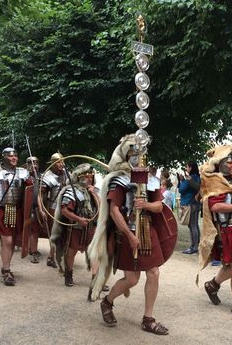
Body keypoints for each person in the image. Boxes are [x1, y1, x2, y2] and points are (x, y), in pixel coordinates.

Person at [87, 134, 172, 335]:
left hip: (148, 231)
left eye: (142, 152)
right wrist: (129, 235)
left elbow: (160, 207)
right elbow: (115, 210)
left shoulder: (150, 179)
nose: (139, 156)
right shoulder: (119, 179)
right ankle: (107, 302)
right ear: (126, 155)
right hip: (127, 232)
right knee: (132, 279)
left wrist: (146, 205)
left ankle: (148, 319)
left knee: (154, 272)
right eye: (135, 152)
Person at [199, 144, 232, 318]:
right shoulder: (215, 181)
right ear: (220, 163)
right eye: (229, 163)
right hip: (227, 228)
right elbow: (215, 206)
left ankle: (212, 285)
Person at [0, 147, 31, 286]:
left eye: (15, 155)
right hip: (4, 209)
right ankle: (7, 270)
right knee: (8, 241)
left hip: (18, 210)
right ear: (4, 157)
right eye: (11, 156)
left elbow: (31, 190)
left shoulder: (23, 172)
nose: (14, 158)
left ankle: (6, 267)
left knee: (13, 240)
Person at [50, 163, 99, 287]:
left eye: (91, 176)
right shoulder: (72, 191)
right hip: (76, 228)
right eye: (86, 176)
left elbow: (100, 208)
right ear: (79, 177)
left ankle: (96, 279)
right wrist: (78, 219)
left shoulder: (93, 191)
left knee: (95, 253)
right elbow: (65, 210)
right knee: (71, 253)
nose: (89, 179)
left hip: (91, 227)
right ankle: (68, 275)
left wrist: (93, 194)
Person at [38, 152, 67, 268]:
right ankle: (51, 257)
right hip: (53, 208)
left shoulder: (66, 174)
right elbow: (40, 195)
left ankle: (59, 255)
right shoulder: (47, 176)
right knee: (55, 234)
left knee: (64, 233)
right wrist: (41, 209)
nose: (61, 164)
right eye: (58, 162)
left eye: (62, 161)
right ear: (53, 163)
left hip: (65, 207)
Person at [178, 161, 201, 254]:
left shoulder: (190, 178)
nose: (186, 169)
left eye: (187, 167)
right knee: (195, 225)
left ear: (191, 168)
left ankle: (194, 247)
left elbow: (181, 190)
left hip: (190, 203)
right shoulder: (197, 177)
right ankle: (196, 245)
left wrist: (182, 180)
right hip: (195, 203)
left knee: (192, 225)